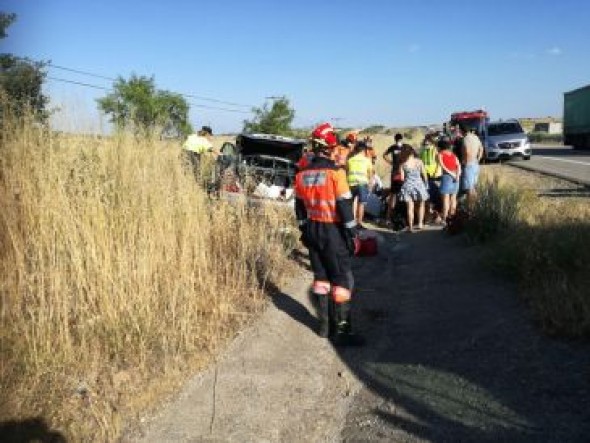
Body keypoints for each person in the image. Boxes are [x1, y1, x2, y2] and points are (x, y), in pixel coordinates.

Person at [295, 123, 364, 346]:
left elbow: (299, 207)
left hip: (312, 229)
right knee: (341, 280)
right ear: (330, 146)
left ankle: (324, 327)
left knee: (321, 279)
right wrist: (353, 233)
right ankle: (342, 331)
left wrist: (304, 229)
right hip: (333, 231)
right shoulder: (336, 173)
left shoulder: (302, 173)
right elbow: (344, 207)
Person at [397, 144, 430, 232]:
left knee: (410, 207)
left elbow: (402, 178)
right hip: (419, 185)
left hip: (408, 186)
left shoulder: (403, 164)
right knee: (421, 205)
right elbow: (424, 174)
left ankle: (410, 227)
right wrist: (426, 184)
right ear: (412, 152)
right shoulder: (419, 162)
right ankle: (420, 224)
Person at [346, 141, 373, 228]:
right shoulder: (367, 160)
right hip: (362, 183)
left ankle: (352, 221)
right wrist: (370, 185)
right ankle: (359, 222)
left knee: (352, 203)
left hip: (351, 183)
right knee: (361, 203)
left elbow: (347, 172)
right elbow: (370, 174)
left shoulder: (350, 160)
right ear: (363, 151)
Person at [419, 132, 443, 224]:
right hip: (425, 174)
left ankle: (437, 214)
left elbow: (438, 162)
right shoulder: (423, 150)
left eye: (427, 141)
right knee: (428, 194)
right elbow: (421, 161)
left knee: (435, 194)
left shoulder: (435, 150)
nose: (426, 143)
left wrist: (436, 171)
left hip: (435, 175)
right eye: (425, 141)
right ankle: (430, 214)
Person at [437, 137, 461, 224]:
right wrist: (457, 175)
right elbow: (458, 165)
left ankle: (445, 218)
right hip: (456, 177)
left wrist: (451, 174)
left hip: (447, 177)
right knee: (453, 199)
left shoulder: (440, 154)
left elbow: (443, 166)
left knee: (445, 200)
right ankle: (452, 216)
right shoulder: (453, 155)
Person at [383, 133, 404, 226]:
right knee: (395, 194)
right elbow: (384, 155)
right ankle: (390, 217)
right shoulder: (401, 147)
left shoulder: (397, 147)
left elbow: (384, 155)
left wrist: (390, 162)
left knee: (393, 194)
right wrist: (390, 162)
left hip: (396, 172)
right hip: (399, 172)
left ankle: (390, 217)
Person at [461, 127, 484, 210]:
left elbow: (467, 151)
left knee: (469, 189)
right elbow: (481, 149)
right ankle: (477, 207)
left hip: (469, 165)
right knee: (473, 187)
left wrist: (465, 162)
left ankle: (470, 209)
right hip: (475, 164)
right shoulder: (475, 137)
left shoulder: (466, 139)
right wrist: (478, 159)